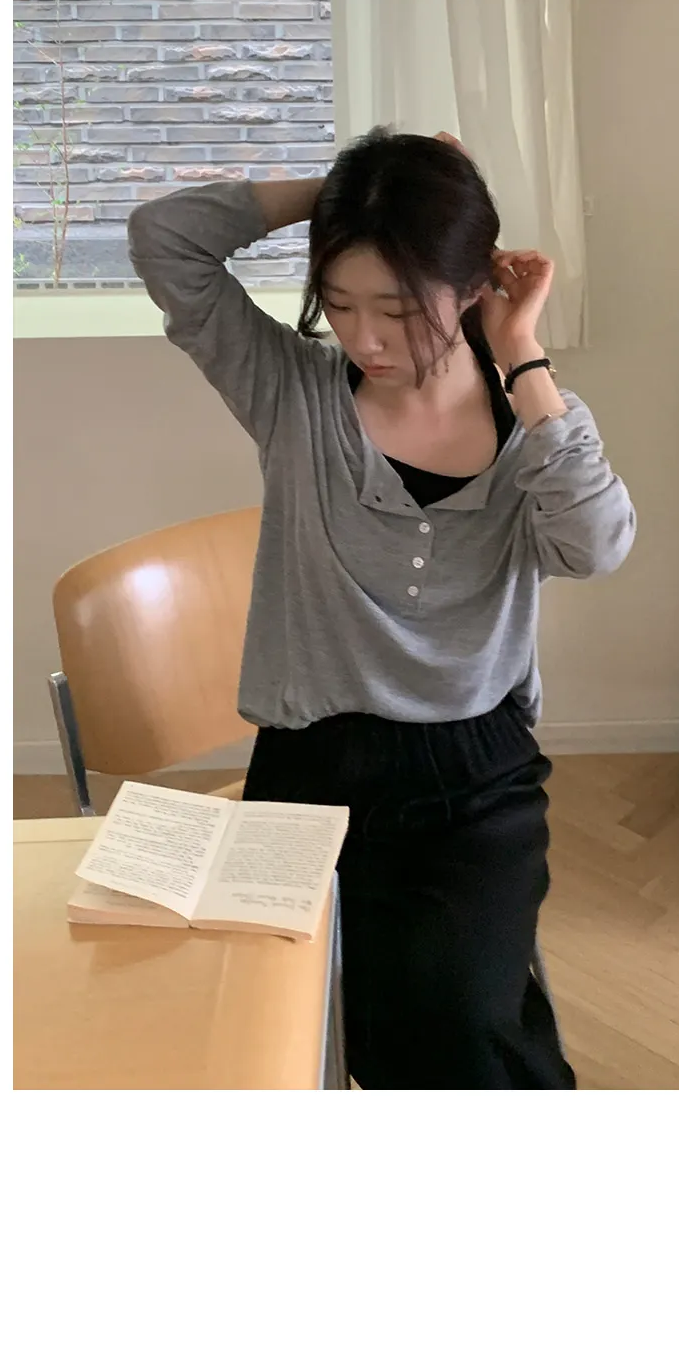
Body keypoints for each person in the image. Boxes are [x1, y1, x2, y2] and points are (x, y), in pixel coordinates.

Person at [128, 126, 636, 1088]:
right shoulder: (293, 391)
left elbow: (596, 546)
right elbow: (164, 236)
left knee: (456, 1015)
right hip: (313, 765)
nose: (364, 339)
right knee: (314, 1011)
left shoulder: (535, 425)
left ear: (474, 285)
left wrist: (523, 355)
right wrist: (357, 188)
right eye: (341, 303)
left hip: (474, 777)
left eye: (399, 310)